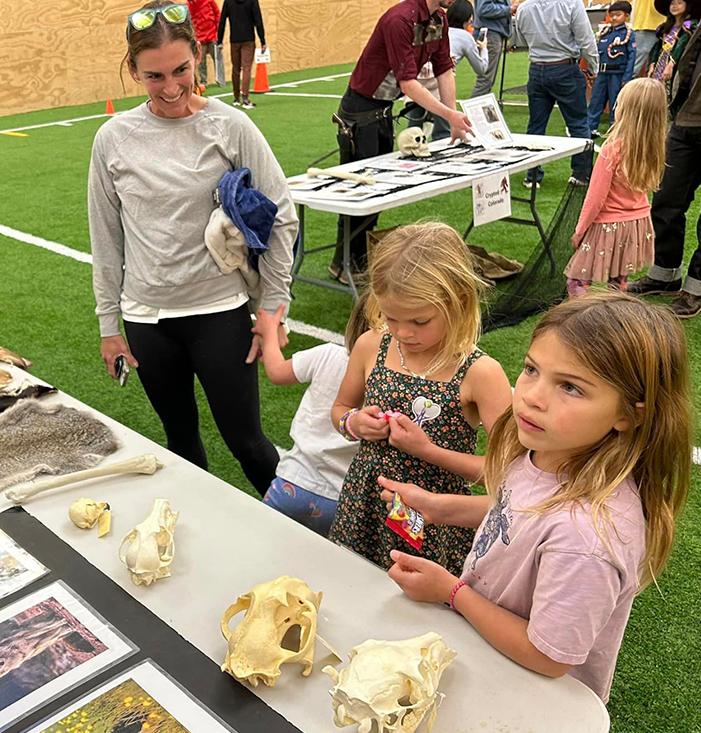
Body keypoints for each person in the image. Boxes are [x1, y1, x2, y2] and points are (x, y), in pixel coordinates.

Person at [386, 292, 691, 704]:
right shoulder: (544, 452)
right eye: (532, 369)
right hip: (489, 656)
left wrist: (451, 592)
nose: (532, 395)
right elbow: (516, 515)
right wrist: (437, 506)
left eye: (570, 387)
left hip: (533, 699)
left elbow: (548, 657)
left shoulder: (587, 538)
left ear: (629, 415)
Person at [89, 1, 297, 495]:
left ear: (199, 54)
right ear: (133, 69)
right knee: (180, 442)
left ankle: (314, 536)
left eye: (181, 69)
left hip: (218, 311)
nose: (171, 87)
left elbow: (281, 214)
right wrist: (108, 326)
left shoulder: (230, 126)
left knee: (247, 442)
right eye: (153, 76)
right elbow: (106, 237)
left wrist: (272, 308)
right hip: (146, 321)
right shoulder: (112, 137)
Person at [326, 223, 513, 575]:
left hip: (437, 518)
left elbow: (508, 472)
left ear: (458, 301)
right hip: (364, 505)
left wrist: (428, 451)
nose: (403, 332)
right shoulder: (372, 346)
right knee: (353, 585)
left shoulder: (480, 373)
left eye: (420, 320)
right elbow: (339, 410)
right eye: (391, 318)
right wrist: (355, 423)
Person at [327, 0, 474, 285]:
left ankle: (354, 261)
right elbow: (407, 83)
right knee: (359, 190)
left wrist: (453, 115)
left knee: (376, 191)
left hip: (382, 112)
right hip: (359, 112)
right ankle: (345, 263)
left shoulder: (439, 19)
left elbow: (444, 69)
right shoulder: (400, 20)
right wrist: (449, 115)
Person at [250, 304, 360, 535]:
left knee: (260, 543)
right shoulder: (393, 386)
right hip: (341, 499)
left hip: (292, 482)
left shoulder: (329, 354)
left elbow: (277, 371)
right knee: (320, 564)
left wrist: (269, 332)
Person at [627, 9, 701, 316]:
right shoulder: (690, 24)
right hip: (686, 122)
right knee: (666, 196)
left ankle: (696, 287)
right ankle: (665, 273)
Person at [568, 78, 666, 297]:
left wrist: (580, 230)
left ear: (628, 112)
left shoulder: (611, 151)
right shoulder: (653, 150)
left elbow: (595, 199)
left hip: (607, 225)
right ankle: (618, 318)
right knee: (619, 277)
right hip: (636, 224)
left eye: (619, 103)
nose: (615, 107)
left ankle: (581, 322)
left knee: (577, 281)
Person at [515, 0, 599, 188]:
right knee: (578, 123)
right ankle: (581, 174)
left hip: (537, 69)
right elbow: (586, 38)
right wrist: (594, 67)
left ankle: (532, 176)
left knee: (536, 126)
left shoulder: (524, 7)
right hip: (564, 68)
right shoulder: (571, 4)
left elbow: (519, 39)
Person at [407, 0, 491, 141]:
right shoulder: (465, 37)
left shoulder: (434, 26)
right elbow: (481, 69)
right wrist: (484, 49)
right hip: (439, 83)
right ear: (468, 17)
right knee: (443, 132)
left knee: (413, 132)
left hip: (418, 80)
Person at [587, 1, 636, 137]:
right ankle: (590, 128)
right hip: (602, 73)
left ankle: (615, 130)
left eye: (618, 15)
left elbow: (632, 57)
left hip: (618, 74)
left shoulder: (628, 34)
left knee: (616, 102)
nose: (614, 18)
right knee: (596, 100)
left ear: (626, 16)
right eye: (612, 15)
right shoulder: (605, 33)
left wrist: (627, 77)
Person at [217, 0, 267, 108]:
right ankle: (245, 98)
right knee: (246, 68)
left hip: (234, 39)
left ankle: (236, 98)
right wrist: (262, 40)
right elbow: (258, 21)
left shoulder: (228, 1)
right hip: (248, 39)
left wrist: (219, 41)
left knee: (236, 69)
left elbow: (222, 21)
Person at [644, 0, 698, 101]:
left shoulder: (689, 26)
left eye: (679, 3)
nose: (675, 6)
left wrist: (671, 64)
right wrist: (652, 64)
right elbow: (657, 47)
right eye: (672, 3)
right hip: (660, 65)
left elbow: (682, 44)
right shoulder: (664, 28)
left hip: (678, 65)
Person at [472, 0, 514, 97]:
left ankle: (476, 109)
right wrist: (509, 9)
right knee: (485, 80)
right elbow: (484, 9)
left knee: (486, 79)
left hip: (491, 33)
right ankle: (473, 110)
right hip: (489, 34)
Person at [189, 0, 223, 90]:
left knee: (217, 58)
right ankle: (204, 81)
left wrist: (218, 31)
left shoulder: (209, 1)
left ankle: (220, 79)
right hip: (199, 36)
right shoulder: (189, 5)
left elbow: (217, 14)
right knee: (201, 60)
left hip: (212, 35)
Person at [632, 0, 668, 77]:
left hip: (667, 25)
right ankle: (626, 86)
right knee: (635, 66)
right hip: (645, 24)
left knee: (659, 66)